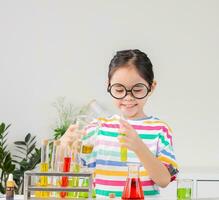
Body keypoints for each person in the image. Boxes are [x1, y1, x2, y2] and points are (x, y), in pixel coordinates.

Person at [60, 49, 178, 198]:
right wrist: (63, 146)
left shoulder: (160, 130)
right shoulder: (98, 128)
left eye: (137, 89)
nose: (128, 97)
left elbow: (164, 180)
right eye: (119, 89)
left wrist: (139, 147)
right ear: (109, 86)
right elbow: (70, 169)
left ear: (151, 87)